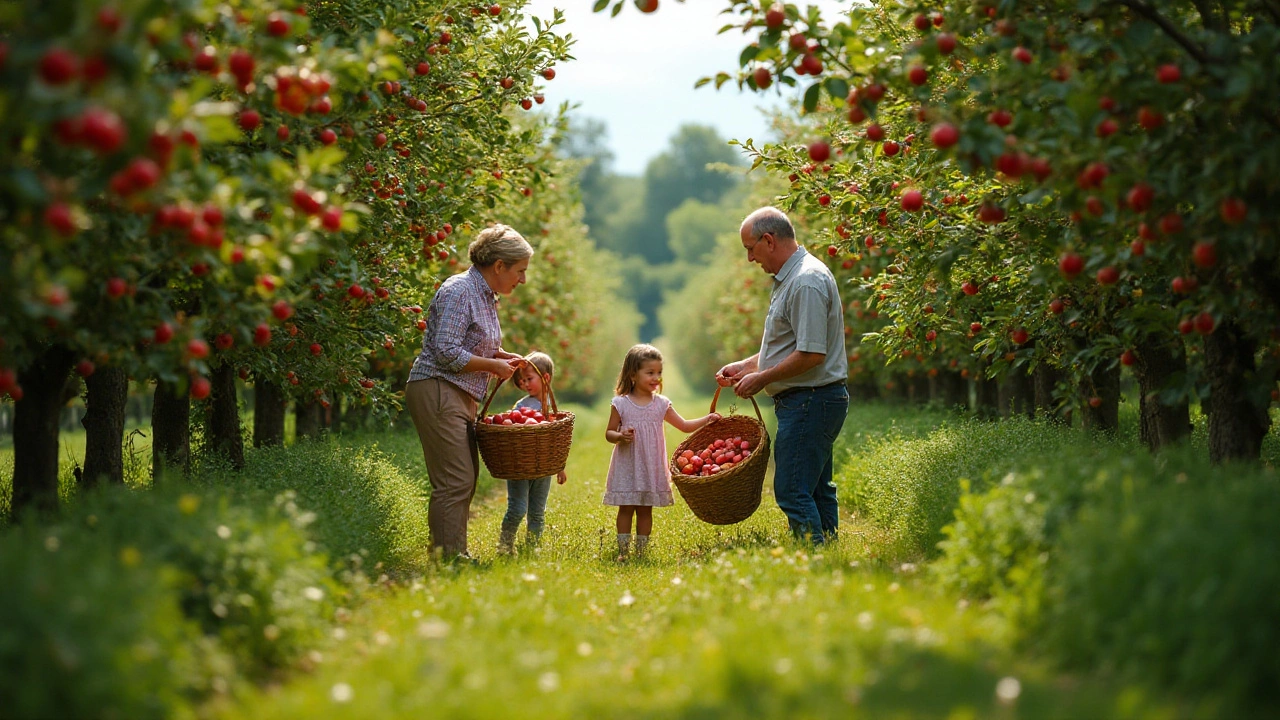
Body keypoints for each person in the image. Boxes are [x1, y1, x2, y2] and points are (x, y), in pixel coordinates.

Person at [716, 207, 849, 545]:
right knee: (815, 485)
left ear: (769, 240)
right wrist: (746, 367)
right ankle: (826, 550)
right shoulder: (790, 279)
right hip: (809, 399)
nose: (749, 258)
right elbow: (790, 346)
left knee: (791, 488)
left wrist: (761, 379)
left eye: (750, 248)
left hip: (811, 399)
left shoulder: (806, 282)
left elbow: (811, 354)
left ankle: (811, 552)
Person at [405, 224, 532, 560]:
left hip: (458, 392)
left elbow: (476, 344)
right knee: (455, 480)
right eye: (520, 271)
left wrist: (501, 356)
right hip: (437, 388)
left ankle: (451, 554)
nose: (523, 280)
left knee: (463, 479)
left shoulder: (484, 296)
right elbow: (446, 351)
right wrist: (492, 367)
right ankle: (448, 558)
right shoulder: (460, 290)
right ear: (499, 266)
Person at [604, 344, 720, 561]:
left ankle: (641, 552)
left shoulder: (661, 404)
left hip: (650, 465)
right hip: (628, 464)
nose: (656, 377)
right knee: (626, 508)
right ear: (632, 374)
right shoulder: (621, 404)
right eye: (650, 373)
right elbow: (609, 433)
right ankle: (623, 551)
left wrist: (707, 419)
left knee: (646, 510)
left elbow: (684, 425)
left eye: (659, 372)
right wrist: (620, 436)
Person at [498, 351, 568, 554]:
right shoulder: (521, 406)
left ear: (545, 378)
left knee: (537, 512)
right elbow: (513, 432)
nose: (525, 384)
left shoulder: (551, 407)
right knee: (517, 509)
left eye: (529, 379)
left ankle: (531, 549)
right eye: (522, 380)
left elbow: (555, 439)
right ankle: (505, 545)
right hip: (520, 464)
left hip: (543, 467)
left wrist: (560, 466)